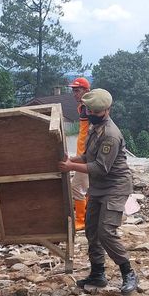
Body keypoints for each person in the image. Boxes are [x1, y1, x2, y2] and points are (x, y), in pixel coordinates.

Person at [58, 88, 138, 295]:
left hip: (115, 186)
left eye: (94, 111)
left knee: (105, 231)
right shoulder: (95, 127)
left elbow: (101, 167)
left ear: (106, 111)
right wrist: (71, 160)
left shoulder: (110, 134)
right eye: (88, 110)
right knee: (92, 229)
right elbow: (87, 156)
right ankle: (97, 273)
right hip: (99, 187)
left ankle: (128, 272)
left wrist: (70, 168)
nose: (89, 114)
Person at [68, 77, 91, 230]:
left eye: (78, 90)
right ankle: (90, 217)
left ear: (86, 91)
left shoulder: (89, 108)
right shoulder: (84, 107)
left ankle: (82, 220)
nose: (75, 93)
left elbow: (90, 132)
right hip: (83, 154)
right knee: (89, 187)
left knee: (76, 186)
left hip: (85, 155)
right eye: (74, 91)